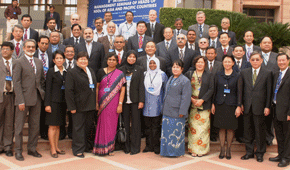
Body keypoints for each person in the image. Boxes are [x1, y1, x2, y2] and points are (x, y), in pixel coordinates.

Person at [13, 39, 45, 161]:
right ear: (24, 48)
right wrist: (20, 100)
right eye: (28, 47)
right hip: (23, 100)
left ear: (35, 48)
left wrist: (41, 92)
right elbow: (17, 83)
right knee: (19, 127)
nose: (31, 49)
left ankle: (32, 149)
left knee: (35, 126)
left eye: (33, 47)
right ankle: (18, 151)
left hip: (37, 98)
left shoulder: (38, 62)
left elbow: (41, 79)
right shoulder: (18, 62)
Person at [239, 52, 272, 163]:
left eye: (257, 59)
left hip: (261, 107)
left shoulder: (267, 73)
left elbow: (269, 92)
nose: (255, 61)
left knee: (260, 131)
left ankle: (260, 153)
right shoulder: (244, 72)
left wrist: (267, 106)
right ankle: (249, 152)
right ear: (250, 61)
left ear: (261, 60)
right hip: (247, 107)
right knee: (248, 131)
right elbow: (241, 90)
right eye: (253, 59)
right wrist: (240, 104)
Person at [93, 53, 126, 155]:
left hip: (114, 103)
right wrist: (96, 103)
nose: (111, 61)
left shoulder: (120, 73)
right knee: (102, 124)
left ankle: (109, 148)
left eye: (113, 60)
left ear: (117, 62)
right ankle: (100, 148)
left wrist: (120, 104)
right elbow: (97, 87)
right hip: (102, 102)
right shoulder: (100, 72)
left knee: (111, 125)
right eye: (109, 59)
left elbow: (123, 90)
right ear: (106, 61)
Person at [65, 51, 97, 158]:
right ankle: (78, 149)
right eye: (81, 59)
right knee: (78, 128)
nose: (83, 61)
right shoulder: (72, 72)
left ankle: (86, 146)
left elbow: (93, 87)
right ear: (77, 60)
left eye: (85, 59)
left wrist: (95, 102)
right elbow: (69, 91)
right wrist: (71, 107)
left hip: (90, 105)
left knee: (88, 127)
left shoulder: (90, 70)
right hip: (78, 106)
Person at [212, 55, 242, 160]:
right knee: (221, 127)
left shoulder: (237, 76)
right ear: (222, 63)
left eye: (229, 62)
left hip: (232, 105)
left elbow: (239, 92)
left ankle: (228, 149)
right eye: (225, 61)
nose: (227, 64)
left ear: (233, 63)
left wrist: (239, 106)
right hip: (220, 104)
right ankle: (222, 149)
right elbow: (214, 90)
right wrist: (213, 103)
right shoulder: (218, 75)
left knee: (230, 128)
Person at [160, 59, 191, 157]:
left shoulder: (185, 81)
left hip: (177, 111)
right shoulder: (171, 78)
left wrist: (183, 110)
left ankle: (175, 152)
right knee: (166, 133)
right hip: (167, 109)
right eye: (174, 67)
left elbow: (186, 98)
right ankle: (166, 151)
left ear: (182, 69)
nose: (175, 69)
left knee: (175, 133)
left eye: (177, 67)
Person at [185, 56, 214, 157]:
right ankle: (193, 149)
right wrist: (192, 99)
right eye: (198, 62)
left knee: (203, 129)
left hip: (204, 104)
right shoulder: (189, 74)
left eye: (202, 62)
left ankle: (201, 150)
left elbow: (211, 89)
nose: (200, 64)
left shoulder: (209, 75)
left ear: (205, 64)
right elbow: (186, 87)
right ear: (195, 63)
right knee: (193, 128)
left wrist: (202, 100)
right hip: (192, 104)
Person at [119, 50, 145, 155]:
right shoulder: (121, 70)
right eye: (130, 57)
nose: (132, 59)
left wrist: (141, 101)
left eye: (134, 57)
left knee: (136, 125)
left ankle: (135, 147)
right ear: (126, 58)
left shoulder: (140, 69)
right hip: (124, 102)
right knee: (125, 124)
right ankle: (126, 147)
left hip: (135, 101)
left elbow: (141, 86)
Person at [143, 58, 168, 155]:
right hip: (146, 105)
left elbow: (166, 89)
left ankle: (156, 146)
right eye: (150, 63)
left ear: (158, 64)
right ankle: (148, 146)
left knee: (156, 127)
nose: (152, 65)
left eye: (154, 63)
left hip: (158, 104)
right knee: (147, 127)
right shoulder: (145, 74)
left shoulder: (162, 75)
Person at [44, 50, 67, 158]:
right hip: (53, 103)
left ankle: (57, 147)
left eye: (61, 58)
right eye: (57, 58)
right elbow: (47, 89)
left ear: (64, 60)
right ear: (53, 60)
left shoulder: (67, 72)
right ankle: (52, 149)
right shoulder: (51, 71)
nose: (59, 60)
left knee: (58, 126)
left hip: (62, 103)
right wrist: (47, 104)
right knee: (52, 126)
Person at [269, 53, 290, 167]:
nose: (281, 62)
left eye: (283, 60)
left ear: (288, 61)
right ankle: (280, 155)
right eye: (279, 60)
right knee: (279, 134)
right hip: (276, 108)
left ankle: (286, 158)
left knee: (287, 136)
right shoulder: (276, 74)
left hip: (286, 111)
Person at [260, 36, 278, 146]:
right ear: (260, 45)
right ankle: (259, 137)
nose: (266, 44)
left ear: (271, 45)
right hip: (258, 91)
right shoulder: (256, 56)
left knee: (270, 117)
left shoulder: (277, 57)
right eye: (264, 42)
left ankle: (269, 137)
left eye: (269, 43)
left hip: (273, 92)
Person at [0, 42, 15, 157]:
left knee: (9, 123)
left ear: (12, 51)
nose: (4, 51)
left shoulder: (16, 63)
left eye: (7, 49)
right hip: (1, 95)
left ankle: (8, 147)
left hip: (11, 96)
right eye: (3, 49)